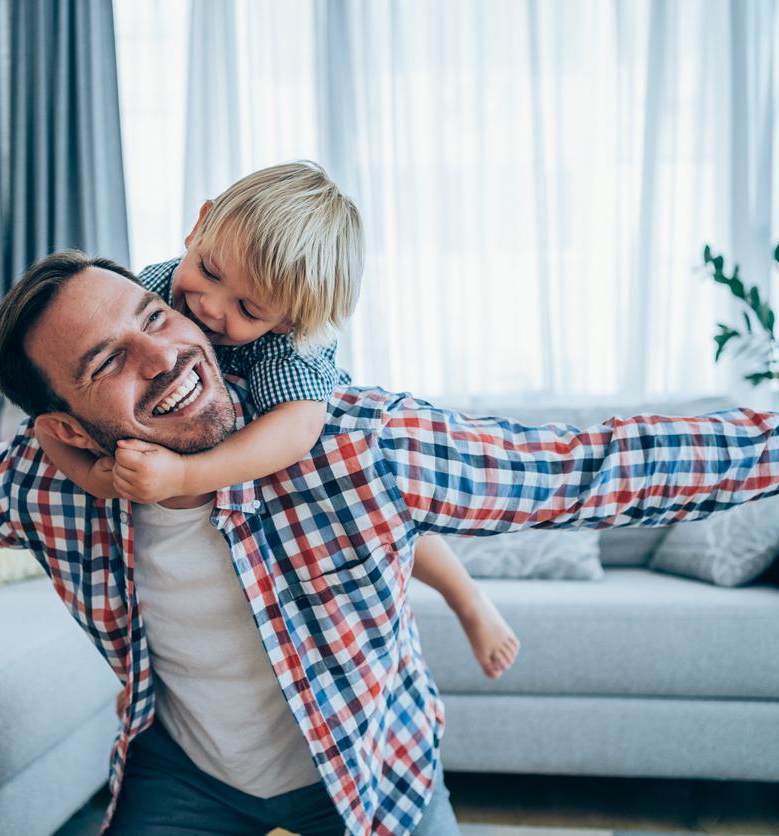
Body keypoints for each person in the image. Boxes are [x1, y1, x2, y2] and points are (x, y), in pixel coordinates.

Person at [0, 252, 779, 835]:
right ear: (63, 420)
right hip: (190, 777)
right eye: (107, 364)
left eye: (154, 316)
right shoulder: (52, 482)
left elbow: (598, 463)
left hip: (369, 765)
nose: (165, 356)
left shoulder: (349, 440)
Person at [37, 161, 518, 679]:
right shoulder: (150, 291)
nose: (208, 306)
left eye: (247, 308)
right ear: (200, 225)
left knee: (381, 511)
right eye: (210, 271)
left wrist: (183, 476)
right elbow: (47, 423)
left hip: (311, 458)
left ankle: (467, 598)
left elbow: (296, 431)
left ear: (286, 320)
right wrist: (93, 477)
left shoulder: (292, 347)